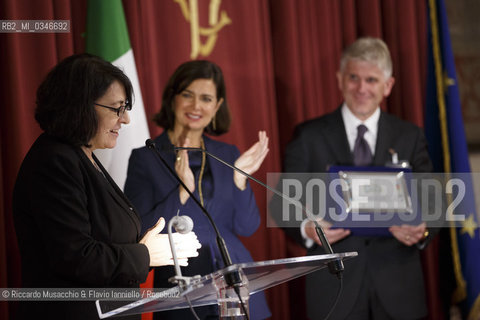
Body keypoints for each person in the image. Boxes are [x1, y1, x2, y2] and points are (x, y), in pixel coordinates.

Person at [12, 53, 201, 320]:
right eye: (117, 108)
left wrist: (146, 245)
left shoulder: (84, 156)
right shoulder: (54, 161)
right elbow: (76, 257)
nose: (125, 120)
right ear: (80, 106)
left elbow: (102, 237)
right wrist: (144, 254)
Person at [270, 37, 433, 319]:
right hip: (333, 289)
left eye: (371, 80)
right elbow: (282, 205)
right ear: (339, 79)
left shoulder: (410, 135)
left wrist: (423, 228)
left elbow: (432, 202)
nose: (361, 89)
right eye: (354, 78)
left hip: (399, 290)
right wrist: (308, 228)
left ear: (388, 85)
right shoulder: (308, 136)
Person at [124, 60, 271, 319]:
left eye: (206, 99)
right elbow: (140, 230)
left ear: (217, 106)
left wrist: (240, 178)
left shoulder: (228, 154)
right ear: (173, 98)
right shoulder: (146, 157)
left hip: (234, 280)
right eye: (187, 95)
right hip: (180, 284)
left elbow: (247, 227)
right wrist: (182, 191)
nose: (196, 106)